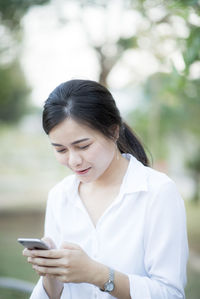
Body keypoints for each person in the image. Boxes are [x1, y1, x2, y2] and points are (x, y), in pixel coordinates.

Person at [23, 79, 188, 299]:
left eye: (83, 146)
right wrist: (51, 273)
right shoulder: (59, 196)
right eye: (61, 150)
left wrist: (98, 274)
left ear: (114, 131)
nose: (74, 161)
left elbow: (170, 293)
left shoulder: (157, 192)